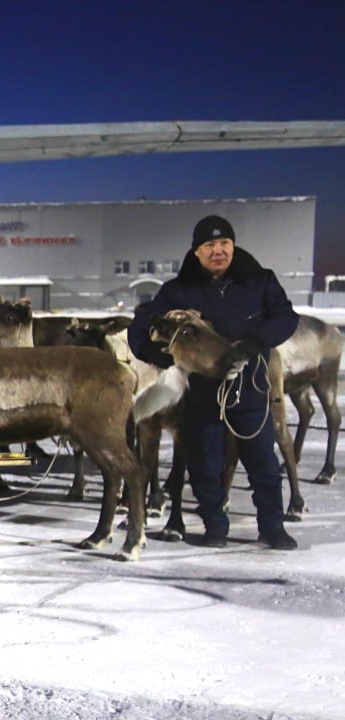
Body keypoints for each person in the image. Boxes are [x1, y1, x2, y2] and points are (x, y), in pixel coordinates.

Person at [128, 215, 300, 550]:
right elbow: (141, 326)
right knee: (204, 462)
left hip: (249, 386)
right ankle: (214, 526)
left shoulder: (259, 282)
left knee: (262, 461)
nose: (218, 251)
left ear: (233, 247)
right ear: (196, 252)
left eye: (224, 244)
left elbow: (286, 317)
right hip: (202, 393)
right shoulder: (177, 291)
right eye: (209, 246)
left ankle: (273, 527)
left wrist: (255, 342)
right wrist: (162, 356)